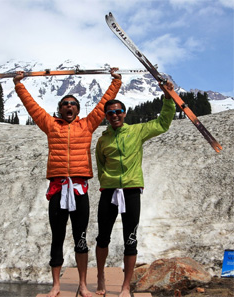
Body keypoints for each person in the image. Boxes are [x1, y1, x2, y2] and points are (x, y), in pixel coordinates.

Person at [13, 68, 122, 297]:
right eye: (65, 104)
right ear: (60, 109)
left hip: (79, 189)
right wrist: (19, 84)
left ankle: (83, 285)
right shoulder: (50, 125)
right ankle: (56, 286)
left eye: (73, 104)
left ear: (78, 110)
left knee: (80, 236)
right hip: (58, 189)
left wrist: (116, 81)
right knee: (57, 237)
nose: (69, 106)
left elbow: (104, 102)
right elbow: (31, 106)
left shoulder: (87, 124)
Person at [95, 81, 176, 297]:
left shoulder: (137, 131)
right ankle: (101, 275)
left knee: (131, 238)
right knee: (103, 237)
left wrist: (168, 99)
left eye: (118, 111)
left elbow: (162, 124)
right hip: (110, 191)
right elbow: (100, 165)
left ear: (124, 113)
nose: (115, 115)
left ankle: (124, 286)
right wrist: (108, 182)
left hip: (131, 191)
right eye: (110, 112)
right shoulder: (103, 140)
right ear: (106, 116)